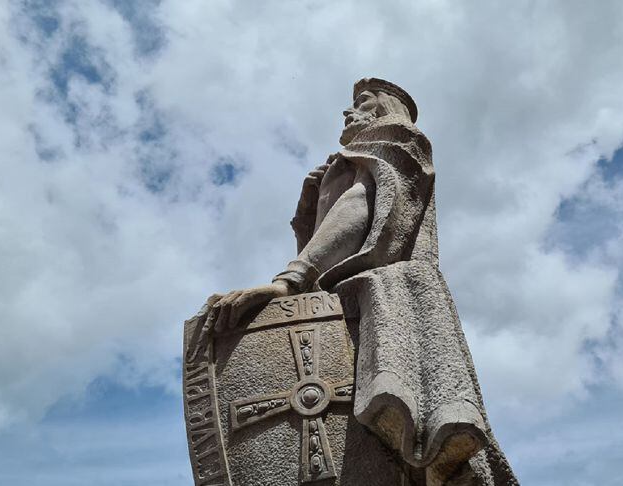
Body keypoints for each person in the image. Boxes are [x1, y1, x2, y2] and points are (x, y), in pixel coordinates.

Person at [197, 78, 517, 485]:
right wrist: (309, 212)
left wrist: (290, 282)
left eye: (361, 103)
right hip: (342, 299)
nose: (348, 113)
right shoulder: (344, 161)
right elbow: (338, 238)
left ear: (385, 109)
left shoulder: (396, 138)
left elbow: (361, 207)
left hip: (381, 291)